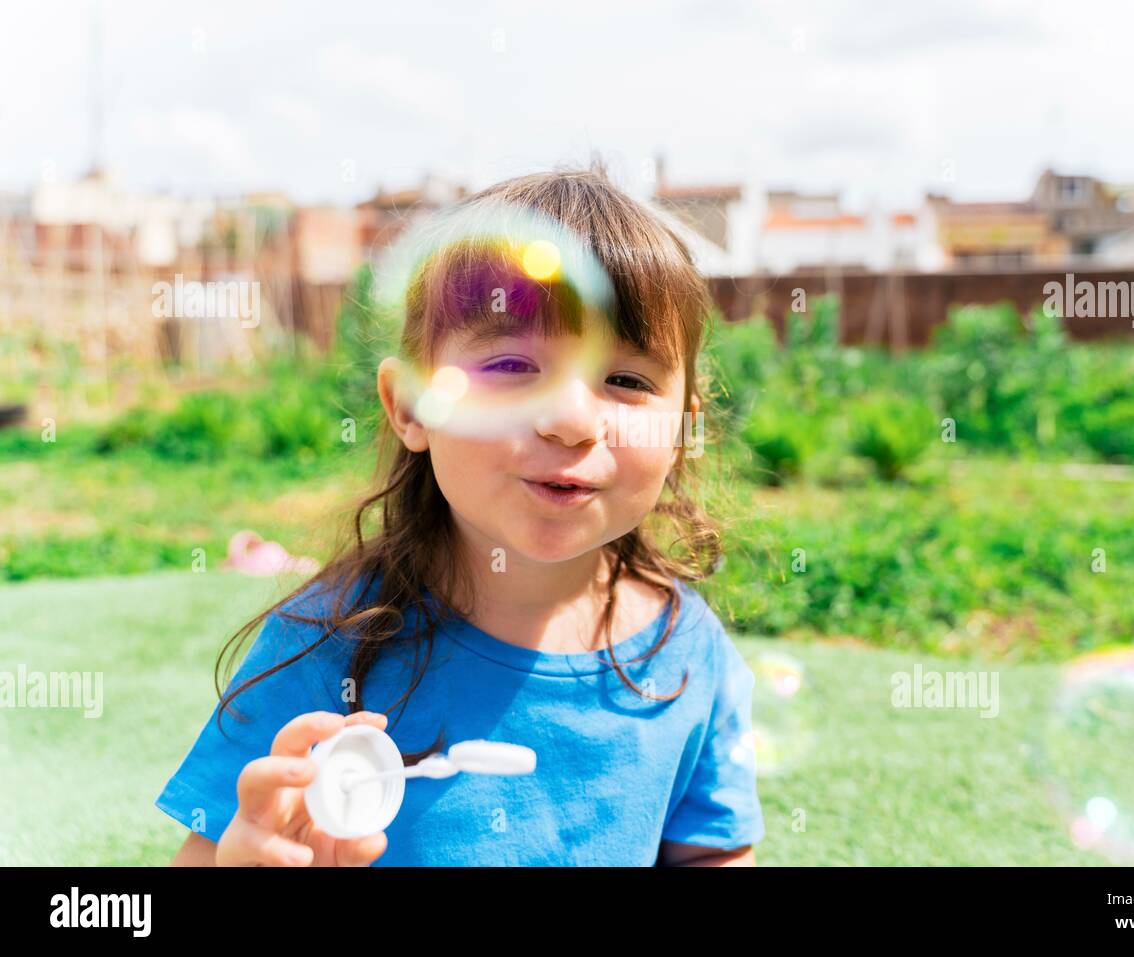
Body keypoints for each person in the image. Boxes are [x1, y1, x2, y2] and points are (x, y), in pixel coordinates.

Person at [156, 161, 765, 866]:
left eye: (626, 380)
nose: (571, 420)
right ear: (411, 405)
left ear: (684, 429)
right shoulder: (323, 644)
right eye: (511, 367)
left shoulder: (689, 651)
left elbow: (711, 854)